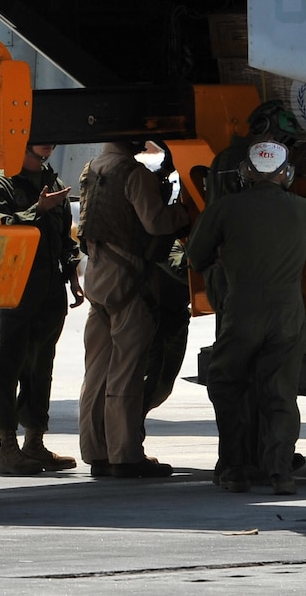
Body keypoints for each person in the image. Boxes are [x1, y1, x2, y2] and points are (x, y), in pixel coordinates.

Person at [185, 140, 306, 494]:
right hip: (288, 316)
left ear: (246, 172)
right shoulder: (304, 209)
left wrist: (219, 261)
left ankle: (234, 468)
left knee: (227, 385)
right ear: (286, 174)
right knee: (280, 394)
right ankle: (280, 472)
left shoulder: (224, 209)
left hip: (242, 312)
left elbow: (195, 256)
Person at [76, 140, 196, 478]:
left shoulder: (92, 169)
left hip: (97, 272)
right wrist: (184, 214)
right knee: (127, 369)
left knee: (96, 371)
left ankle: (96, 452)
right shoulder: (134, 173)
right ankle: (125, 454)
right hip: (128, 277)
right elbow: (156, 223)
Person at [0, 143, 82, 475]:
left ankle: (34, 443)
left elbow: (63, 234)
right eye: (39, 148)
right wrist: (37, 209)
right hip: (12, 289)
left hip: (48, 290)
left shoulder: (51, 178)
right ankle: (7, 447)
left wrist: (72, 274)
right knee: (8, 364)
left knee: (41, 367)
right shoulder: (1, 184)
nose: (46, 151)